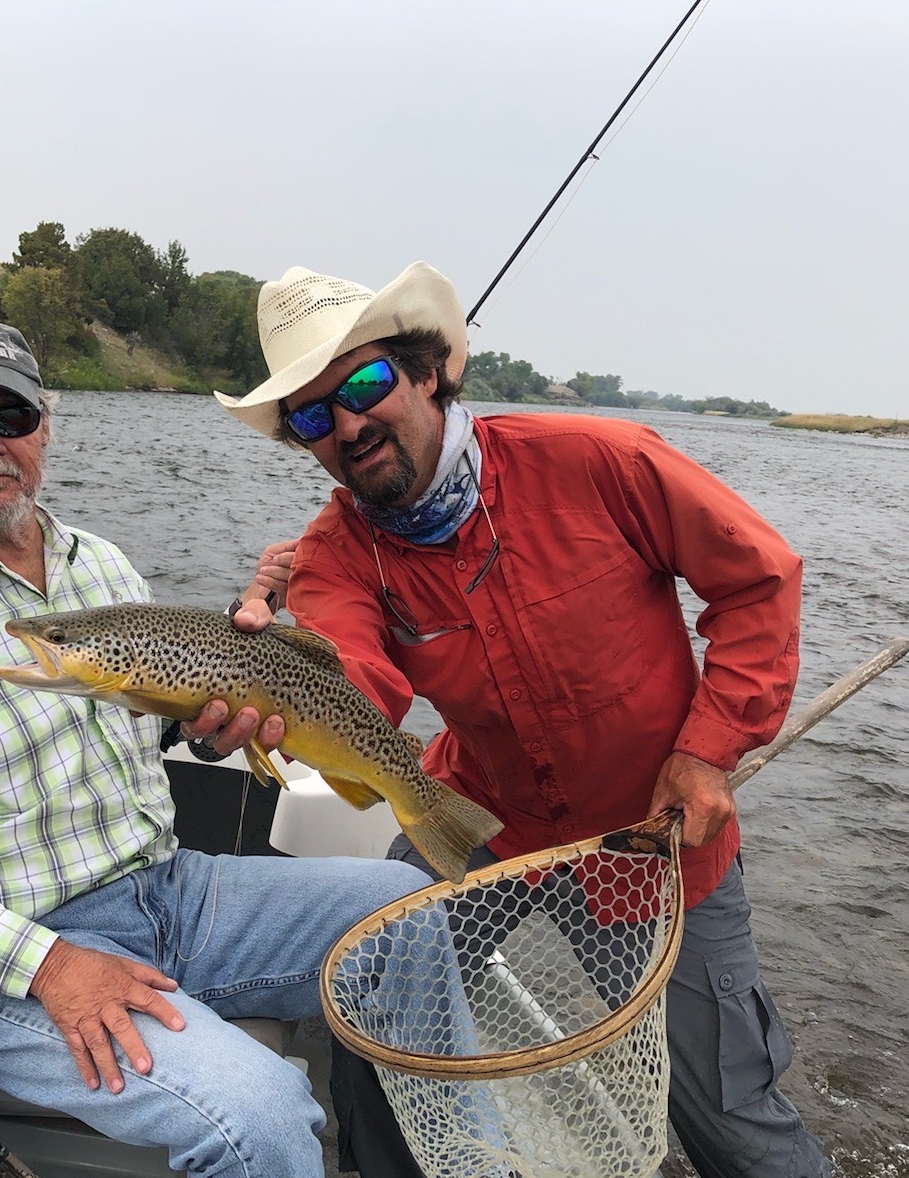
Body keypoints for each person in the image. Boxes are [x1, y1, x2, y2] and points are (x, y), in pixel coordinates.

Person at [216, 263, 831, 1178]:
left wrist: (707, 753)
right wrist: (267, 686)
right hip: (478, 814)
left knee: (728, 1118)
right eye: (312, 416)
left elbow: (760, 580)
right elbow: (362, 684)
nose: (347, 425)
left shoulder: (600, 460)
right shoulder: (333, 555)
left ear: (427, 371)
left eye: (365, 384)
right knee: (372, 985)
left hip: (647, 844)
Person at [0, 312, 432, 1178]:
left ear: (44, 429)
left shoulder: (100, 566)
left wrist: (214, 735)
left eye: (11, 419)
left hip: (168, 891)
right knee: (265, 1117)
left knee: (415, 911)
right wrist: (52, 964)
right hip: (14, 961)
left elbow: (159, 725)